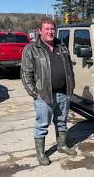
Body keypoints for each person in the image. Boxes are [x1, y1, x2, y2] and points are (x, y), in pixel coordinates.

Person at [21, 18, 76, 166]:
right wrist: (34, 92)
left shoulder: (61, 46)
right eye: (47, 29)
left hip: (63, 93)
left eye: (52, 29)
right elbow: (26, 73)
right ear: (40, 31)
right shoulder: (31, 49)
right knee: (42, 124)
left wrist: (71, 84)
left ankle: (62, 145)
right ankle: (40, 153)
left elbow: (69, 67)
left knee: (62, 122)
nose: (50, 32)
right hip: (43, 95)